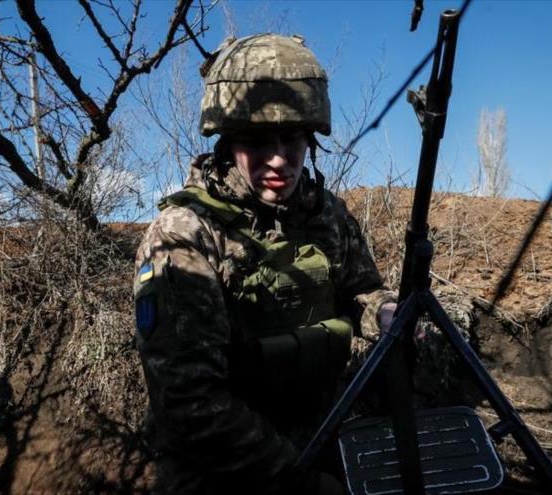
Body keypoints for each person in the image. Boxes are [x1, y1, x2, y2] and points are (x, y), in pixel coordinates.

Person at [133, 33, 398, 494]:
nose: (278, 159)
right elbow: (189, 404)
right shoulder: (183, 236)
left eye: (291, 137)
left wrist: (387, 312)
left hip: (319, 441)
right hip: (223, 473)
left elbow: (361, 292)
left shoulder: (326, 215)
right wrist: (302, 479)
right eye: (257, 140)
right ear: (227, 142)